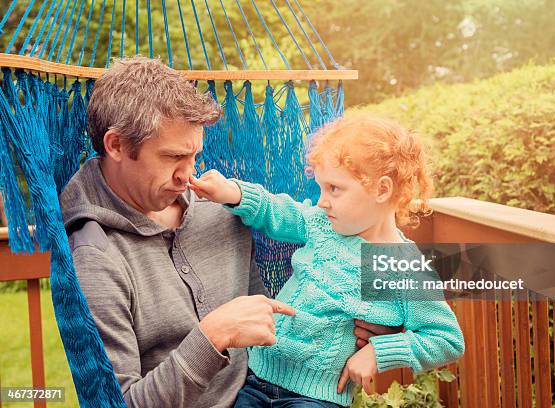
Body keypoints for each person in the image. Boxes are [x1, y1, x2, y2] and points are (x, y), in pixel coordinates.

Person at [60, 57, 397, 408]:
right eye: (172, 157)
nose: (187, 175)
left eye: (194, 155)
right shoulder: (94, 257)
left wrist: (386, 327)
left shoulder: (221, 205)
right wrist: (213, 335)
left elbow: (333, 262)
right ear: (116, 146)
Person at [189, 116, 466, 407]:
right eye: (322, 188)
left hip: (315, 397)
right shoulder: (323, 225)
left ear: (381, 190)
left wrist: (378, 353)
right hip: (257, 378)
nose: (322, 201)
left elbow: (445, 339)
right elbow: (277, 211)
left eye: (334, 188)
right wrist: (234, 193)